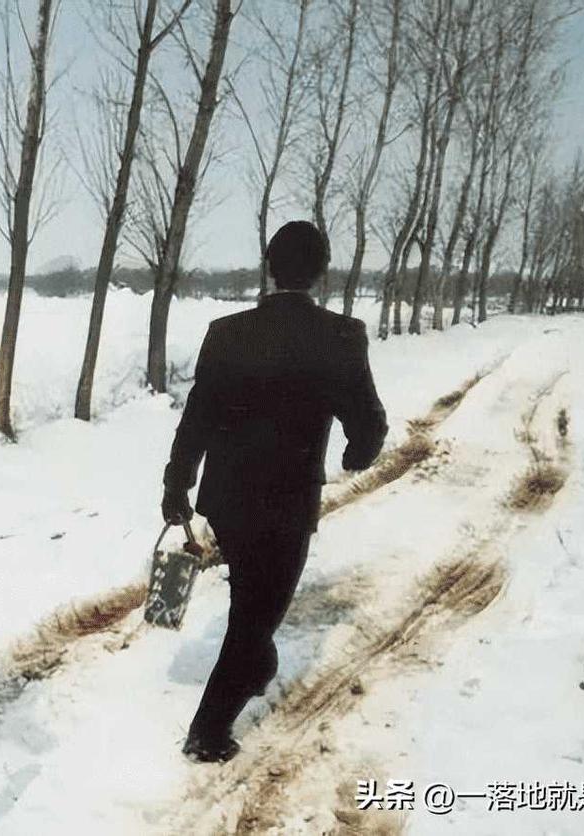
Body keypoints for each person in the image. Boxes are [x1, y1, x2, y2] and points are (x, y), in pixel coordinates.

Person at [161, 220, 388, 763]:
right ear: (321, 271)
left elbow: (197, 417)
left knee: (253, 605)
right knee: (255, 615)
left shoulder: (226, 332)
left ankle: (257, 669)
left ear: (269, 267)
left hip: (229, 502)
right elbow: (369, 424)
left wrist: (177, 481)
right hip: (288, 505)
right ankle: (208, 732)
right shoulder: (341, 337)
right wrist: (357, 455)